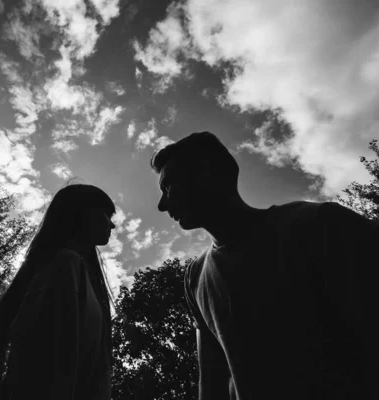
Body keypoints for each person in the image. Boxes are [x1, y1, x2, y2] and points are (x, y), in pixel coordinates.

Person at [150, 131, 379, 400]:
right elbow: (212, 380)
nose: (162, 205)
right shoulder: (194, 277)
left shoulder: (320, 226)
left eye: (168, 187)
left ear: (207, 171)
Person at [0, 183, 116, 400]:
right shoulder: (65, 266)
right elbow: (48, 367)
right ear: (84, 214)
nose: (112, 225)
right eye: (106, 214)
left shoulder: (74, 271)